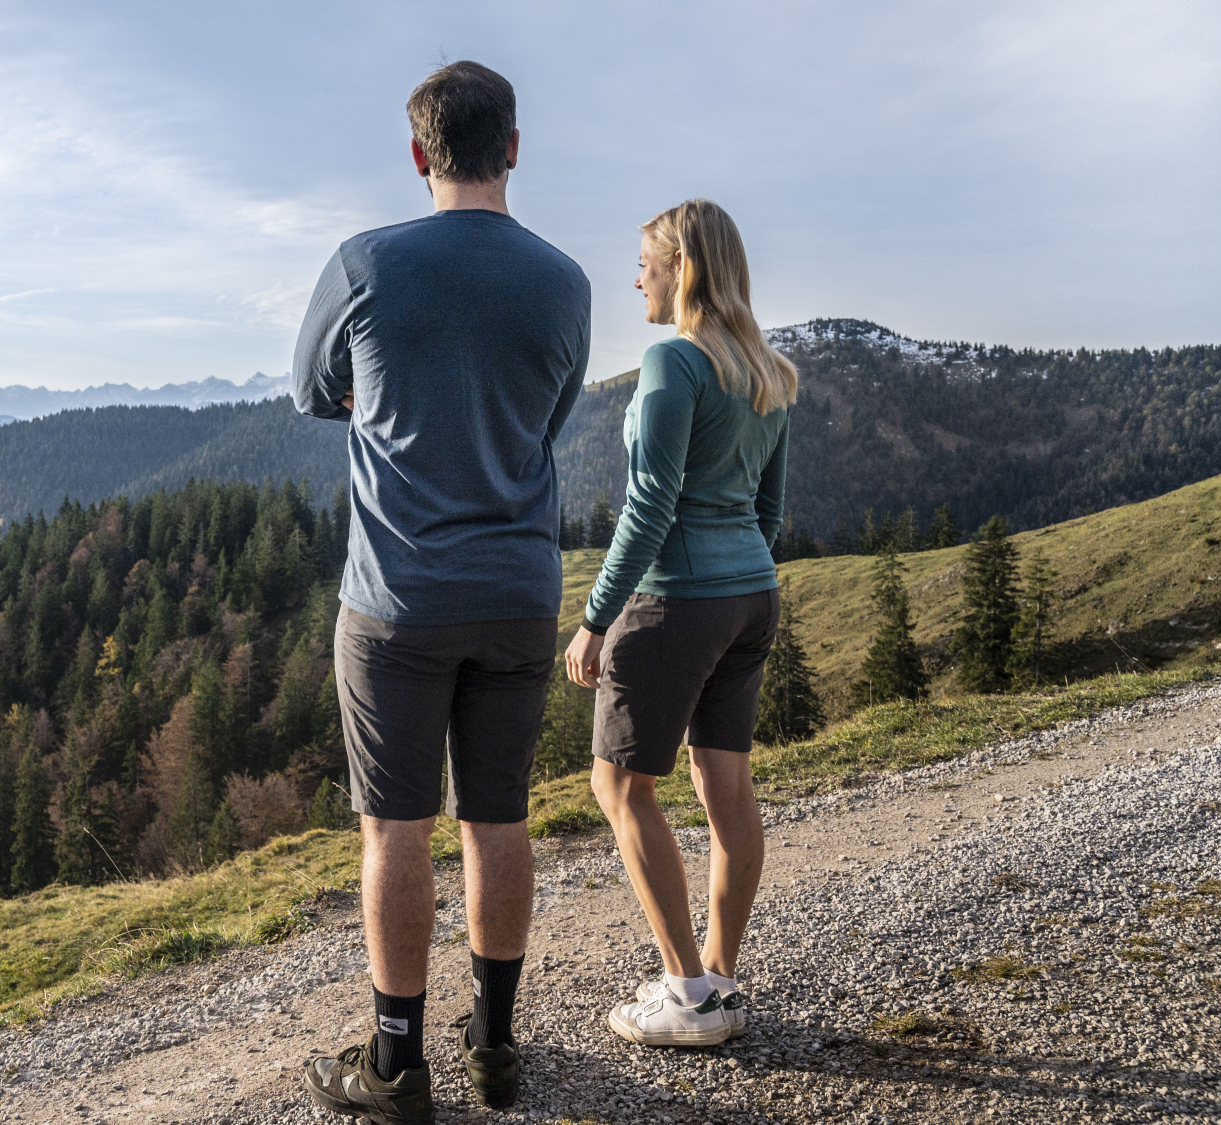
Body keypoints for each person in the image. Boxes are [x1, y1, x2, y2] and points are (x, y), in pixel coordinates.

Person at [290, 60, 590, 1125]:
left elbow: (306, 389)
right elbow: (546, 415)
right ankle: (497, 1043)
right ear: (511, 147)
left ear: (418, 155)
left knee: (395, 832)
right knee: (497, 819)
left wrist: (386, 397)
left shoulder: (365, 263)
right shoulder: (564, 282)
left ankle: (393, 1062)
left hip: (397, 597)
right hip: (517, 588)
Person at [563, 198, 796, 1047]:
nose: (637, 280)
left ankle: (687, 994)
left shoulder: (673, 365)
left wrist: (596, 617)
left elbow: (650, 504)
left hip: (677, 598)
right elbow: (770, 512)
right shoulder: (769, 373)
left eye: (646, 264)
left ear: (683, 268)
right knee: (725, 787)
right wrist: (734, 574)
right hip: (750, 596)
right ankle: (719, 981)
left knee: (620, 786)